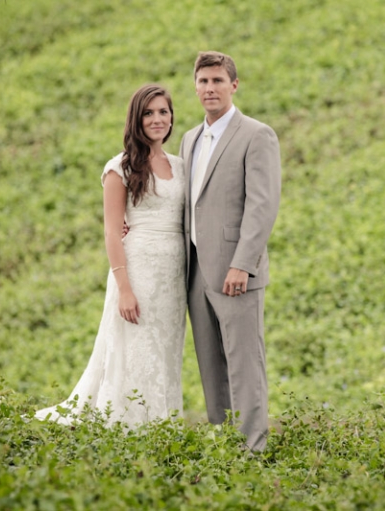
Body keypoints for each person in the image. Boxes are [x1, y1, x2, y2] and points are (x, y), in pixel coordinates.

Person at [35, 85, 186, 427]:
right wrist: (125, 287)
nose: (157, 119)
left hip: (173, 275)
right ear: (136, 119)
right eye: (148, 113)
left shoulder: (179, 165)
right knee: (134, 347)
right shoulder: (121, 167)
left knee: (164, 349)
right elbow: (112, 230)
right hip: (138, 270)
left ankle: (161, 421)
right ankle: (126, 424)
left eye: (164, 111)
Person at [179, 51, 281, 451]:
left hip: (236, 272)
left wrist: (243, 264)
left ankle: (253, 448)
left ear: (234, 85)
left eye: (218, 81)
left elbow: (263, 205)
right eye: (203, 81)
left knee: (244, 363)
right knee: (210, 365)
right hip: (196, 272)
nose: (210, 89)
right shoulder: (188, 139)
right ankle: (226, 445)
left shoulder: (257, 135)